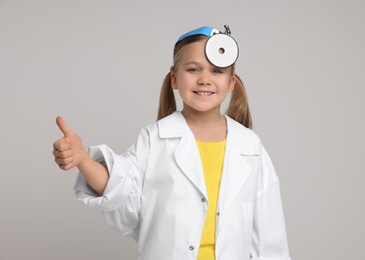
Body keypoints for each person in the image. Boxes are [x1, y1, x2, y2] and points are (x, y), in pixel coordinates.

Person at [52, 25, 291, 260]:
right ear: (175, 79)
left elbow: (270, 235)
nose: (205, 79)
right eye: (194, 69)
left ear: (231, 83)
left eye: (217, 71)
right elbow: (120, 188)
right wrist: (83, 159)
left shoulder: (250, 147)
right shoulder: (154, 139)